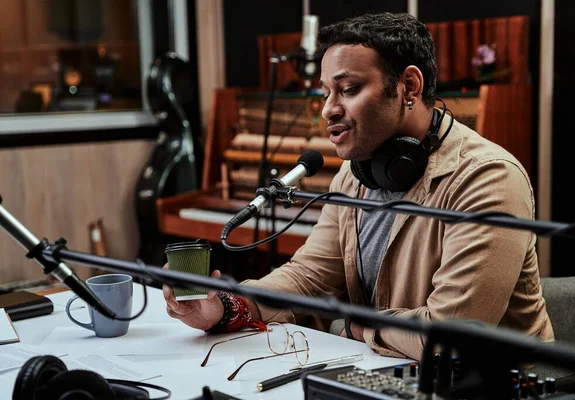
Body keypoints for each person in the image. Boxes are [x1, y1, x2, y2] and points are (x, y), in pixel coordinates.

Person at [163, 12, 553, 361]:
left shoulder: (487, 177)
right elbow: (308, 276)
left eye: (347, 90)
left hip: (498, 383)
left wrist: (354, 326)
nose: (328, 108)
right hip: (387, 367)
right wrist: (229, 307)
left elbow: (455, 335)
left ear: (409, 88)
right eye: (325, 92)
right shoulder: (355, 173)